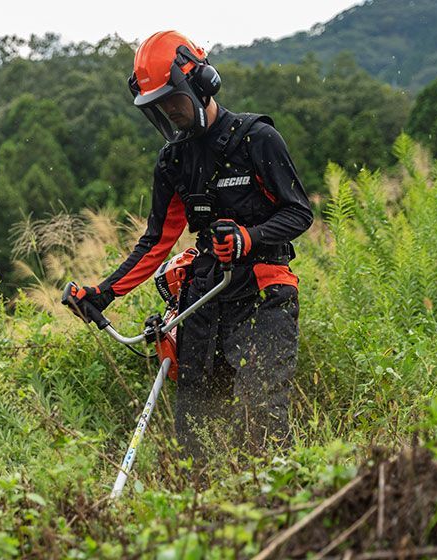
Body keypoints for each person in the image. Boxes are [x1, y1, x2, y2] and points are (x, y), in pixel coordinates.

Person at [70, 30, 313, 459]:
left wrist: (248, 237)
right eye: (159, 106)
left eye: (174, 101)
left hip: (263, 290)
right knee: (197, 432)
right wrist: (103, 293)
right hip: (203, 299)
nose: (170, 113)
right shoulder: (174, 160)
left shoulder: (256, 139)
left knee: (262, 422)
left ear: (200, 83)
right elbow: (156, 241)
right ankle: (199, 514)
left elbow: (299, 213)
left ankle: (283, 508)